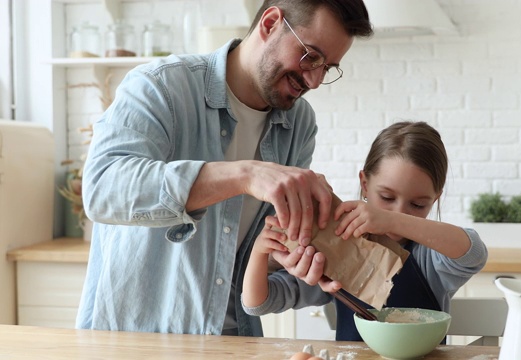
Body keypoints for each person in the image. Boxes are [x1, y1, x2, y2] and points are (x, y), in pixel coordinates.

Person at [77, 0, 373, 336]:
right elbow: (103, 190)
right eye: (311, 57)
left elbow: (255, 248)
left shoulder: (299, 122)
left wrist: (290, 256)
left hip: (234, 339)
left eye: (328, 67)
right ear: (270, 23)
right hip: (138, 340)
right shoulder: (161, 86)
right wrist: (244, 175)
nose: (315, 80)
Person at [242, 121, 488, 341]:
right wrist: (260, 251)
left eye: (417, 204)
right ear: (364, 184)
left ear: (435, 199)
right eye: (387, 197)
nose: (399, 212)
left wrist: (390, 220)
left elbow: (474, 253)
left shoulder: (431, 260)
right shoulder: (339, 247)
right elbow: (258, 304)